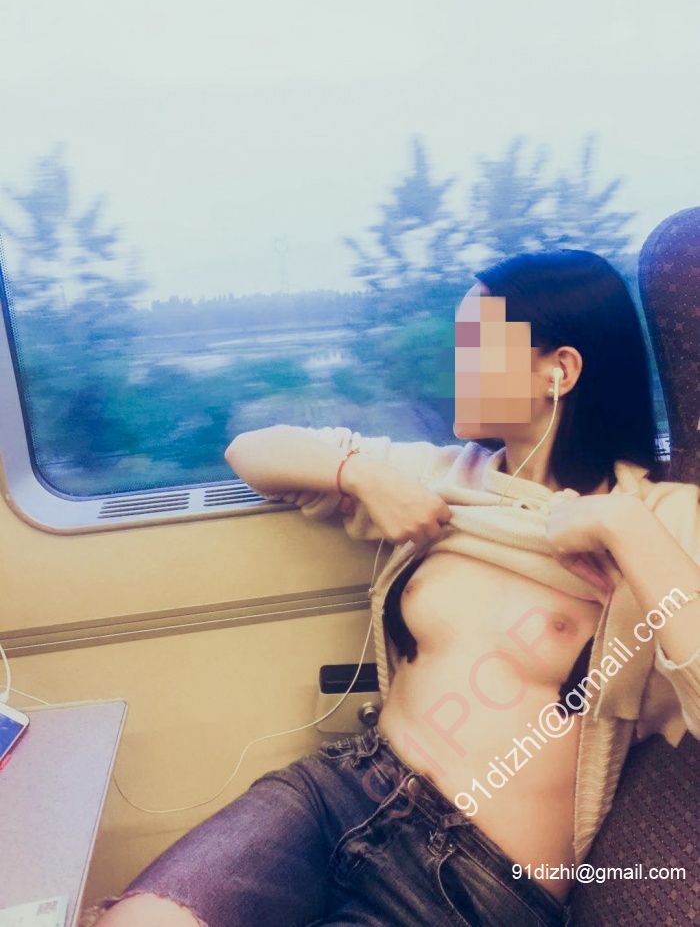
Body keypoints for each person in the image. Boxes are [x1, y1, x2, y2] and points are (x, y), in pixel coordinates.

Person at [82, 250, 700, 927]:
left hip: (474, 875)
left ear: (560, 371)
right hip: (348, 788)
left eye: (474, 346)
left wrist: (623, 529)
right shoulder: (445, 476)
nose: (453, 366)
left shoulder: (661, 519)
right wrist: (359, 475)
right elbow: (251, 449)